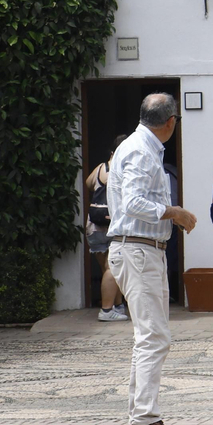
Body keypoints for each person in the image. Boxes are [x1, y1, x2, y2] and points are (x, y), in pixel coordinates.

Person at [106, 94, 198, 425]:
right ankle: (144, 420)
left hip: (144, 249)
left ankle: (143, 416)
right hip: (137, 249)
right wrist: (174, 212)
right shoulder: (141, 150)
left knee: (150, 337)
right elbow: (133, 203)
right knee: (153, 337)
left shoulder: (142, 146)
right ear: (171, 121)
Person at [85, 136, 129, 322]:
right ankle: (107, 310)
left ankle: (117, 306)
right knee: (113, 268)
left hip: (94, 227)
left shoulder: (100, 168)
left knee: (108, 269)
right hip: (112, 226)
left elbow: (88, 184)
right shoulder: (123, 171)